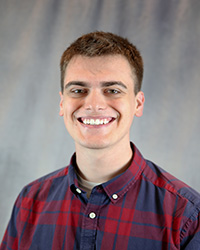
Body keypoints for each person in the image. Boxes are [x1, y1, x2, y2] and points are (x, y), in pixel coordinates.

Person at [1, 31, 200, 250]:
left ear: (138, 104)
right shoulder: (30, 201)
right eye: (78, 90)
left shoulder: (186, 214)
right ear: (61, 103)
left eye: (112, 90)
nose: (93, 104)